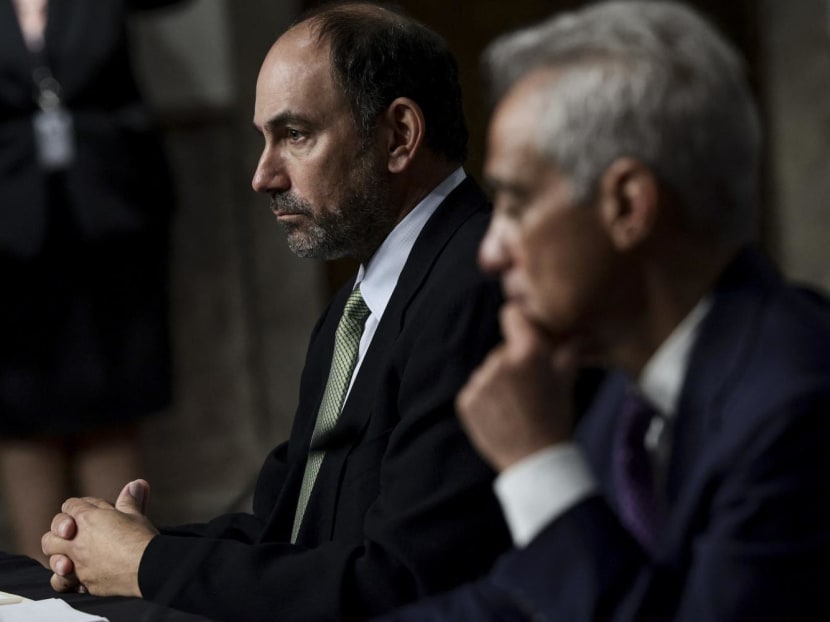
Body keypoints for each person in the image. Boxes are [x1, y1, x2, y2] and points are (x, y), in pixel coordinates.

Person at [42, 2, 511, 621]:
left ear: (399, 135)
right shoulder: (355, 306)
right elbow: (287, 530)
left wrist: (149, 564)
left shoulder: (477, 289)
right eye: (263, 139)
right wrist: (121, 545)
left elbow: (399, 583)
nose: (262, 175)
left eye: (294, 135)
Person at [373, 1, 830, 621]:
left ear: (627, 206)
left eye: (515, 203)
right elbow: (519, 602)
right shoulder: (628, 385)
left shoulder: (796, 409)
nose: (489, 251)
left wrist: (538, 463)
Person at [0, 0, 185, 565]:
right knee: (21, 419)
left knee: (111, 413)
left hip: (108, 235)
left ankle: (117, 579)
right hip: (9, 246)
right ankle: (41, 590)